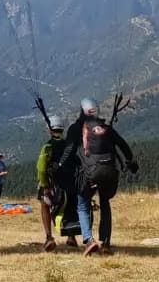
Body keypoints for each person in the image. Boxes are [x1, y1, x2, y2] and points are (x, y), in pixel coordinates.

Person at [59, 98, 137, 255]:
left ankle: (89, 240)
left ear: (82, 111)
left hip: (90, 172)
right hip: (110, 171)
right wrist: (130, 161)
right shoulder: (107, 129)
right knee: (105, 203)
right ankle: (106, 242)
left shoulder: (77, 128)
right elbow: (123, 146)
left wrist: (60, 166)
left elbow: (68, 150)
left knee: (82, 204)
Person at [36, 116, 68, 251]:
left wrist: (44, 185)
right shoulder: (69, 145)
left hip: (52, 183)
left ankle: (49, 237)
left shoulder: (47, 147)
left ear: (50, 130)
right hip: (68, 183)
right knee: (68, 207)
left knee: (45, 206)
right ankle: (71, 236)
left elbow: (42, 168)